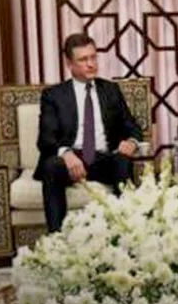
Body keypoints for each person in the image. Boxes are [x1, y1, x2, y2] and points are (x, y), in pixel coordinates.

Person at [36, 33, 142, 232]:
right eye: (83, 59)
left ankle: (127, 231)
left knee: (123, 162)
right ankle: (57, 237)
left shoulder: (111, 90)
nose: (91, 64)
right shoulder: (53, 95)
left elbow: (133, 127)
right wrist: (66, 154)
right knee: (51, 166)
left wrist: (132, 141)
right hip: (72, 159)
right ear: (69, 63)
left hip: (103, 159)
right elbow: (46, 138)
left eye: (93, 57)